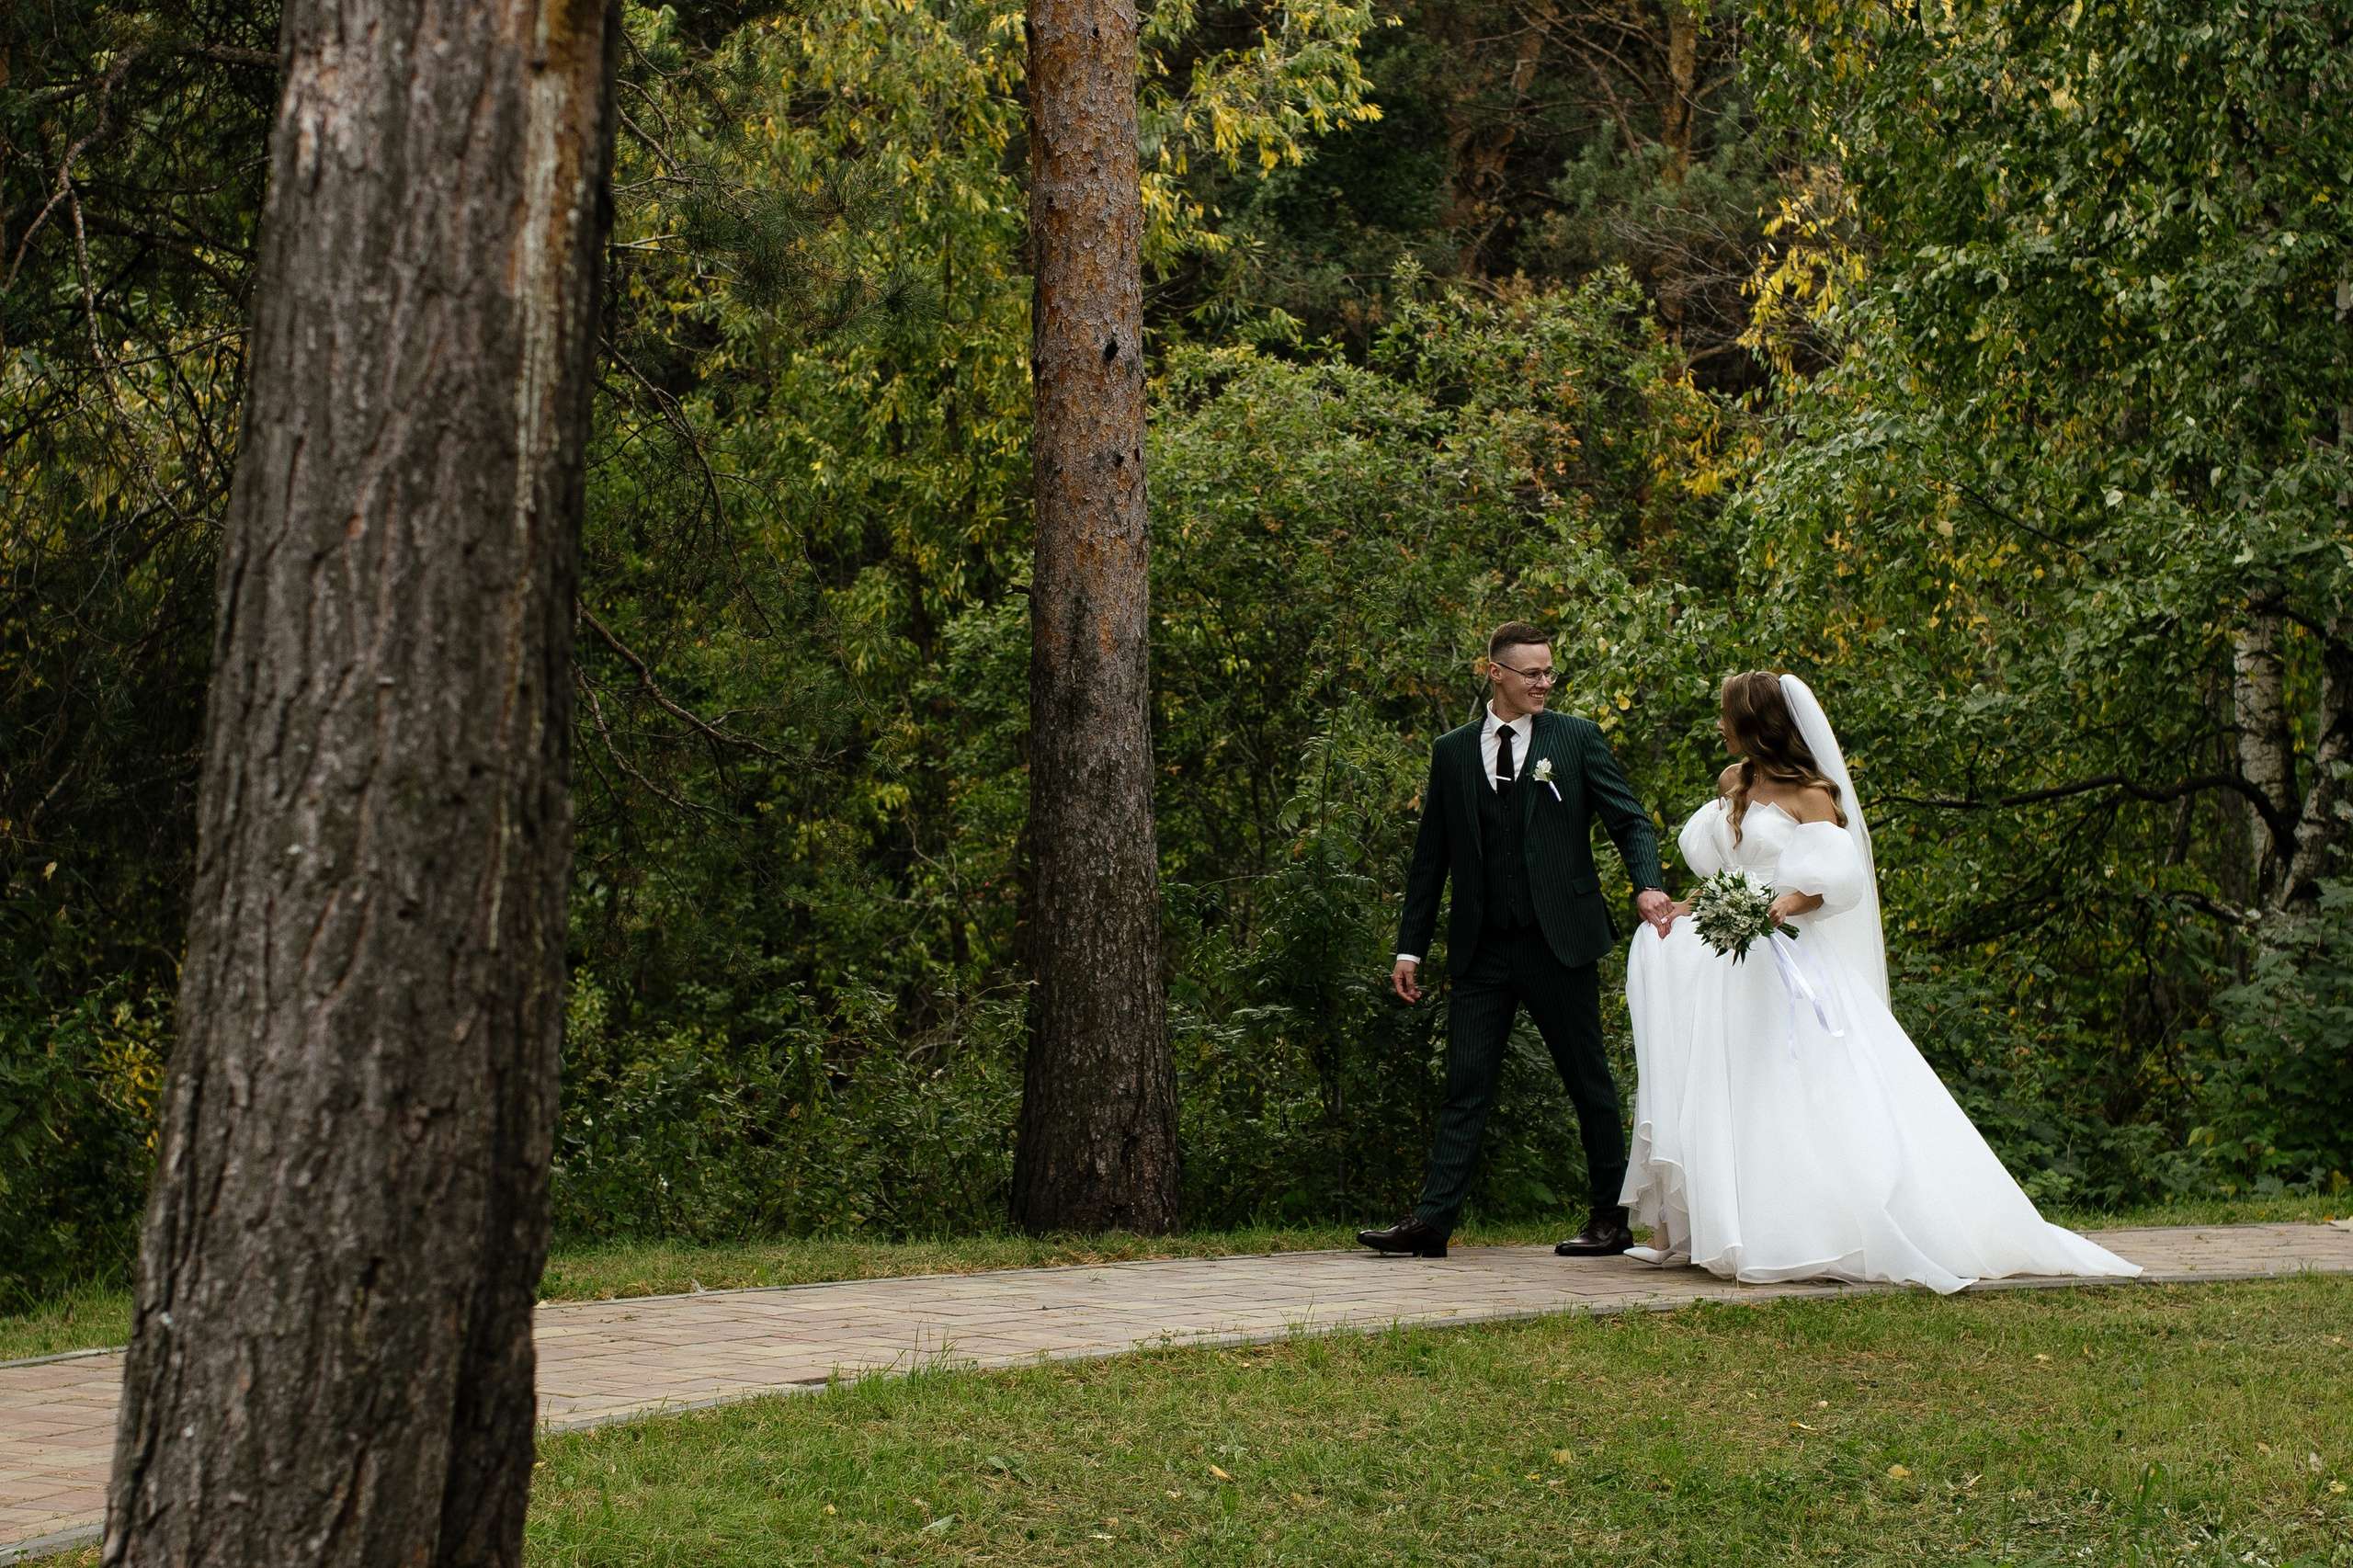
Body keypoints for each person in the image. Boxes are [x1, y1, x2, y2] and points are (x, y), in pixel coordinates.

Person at [1620, 672, 2140, 1291]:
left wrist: (1783, 906)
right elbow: (1735, 869)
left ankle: (1803, 1229)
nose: (1718, 726)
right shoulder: (1734, 782)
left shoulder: (1812, 794)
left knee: (1789, 1087)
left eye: (1725, 715)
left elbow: (1833, 885)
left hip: (1784, 955)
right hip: (1726, 960)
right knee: (1719, 1085)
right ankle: (1702, 1226)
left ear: (1756, 723)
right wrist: (1691, 905)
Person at [1358, 621, 1675, 1262]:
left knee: (1588, 1082)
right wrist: (1409, 948)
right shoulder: (1452, 752)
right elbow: (1431, 858)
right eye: (1531, 672)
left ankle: (1610, 1220)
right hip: (1482, 947)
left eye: (1549, 672)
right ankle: (1432, 1224)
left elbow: (1630, 820)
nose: (1544, 682)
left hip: (1560, 941)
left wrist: (1647, 886)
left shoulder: (1576, 738)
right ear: (1494, 672)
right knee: (1466, 1084)